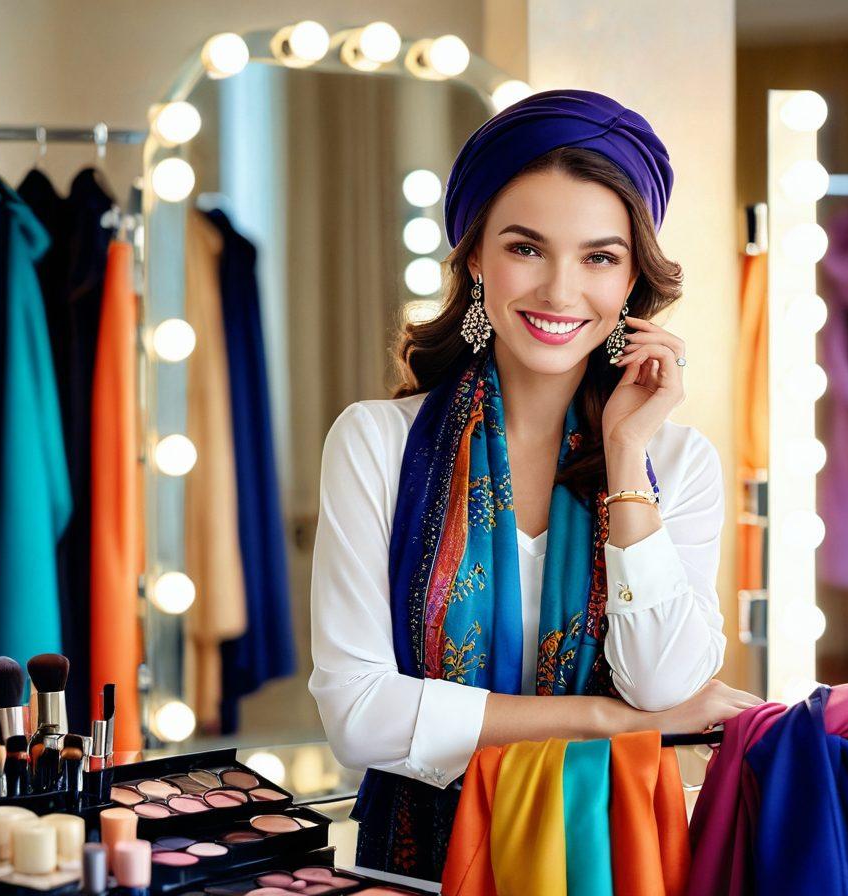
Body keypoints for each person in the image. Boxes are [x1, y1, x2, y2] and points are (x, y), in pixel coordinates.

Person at [309, 88, 762, 882]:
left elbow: (664, 678)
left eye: (598, 256)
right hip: (422, 870)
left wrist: (626, 452)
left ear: (632, 282)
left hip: (615, 862)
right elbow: (357, 715)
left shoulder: (676, 464)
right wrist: (605, 719)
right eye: (526, 247)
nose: (559, 291)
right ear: (475, 255)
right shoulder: (375, 445)